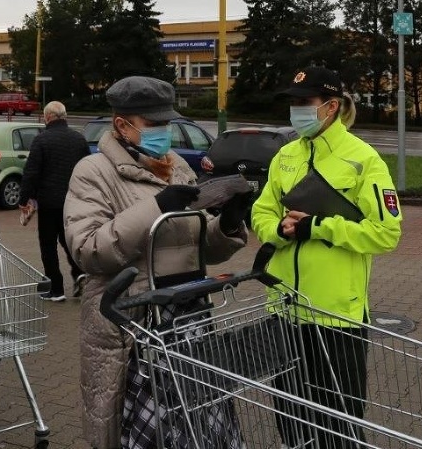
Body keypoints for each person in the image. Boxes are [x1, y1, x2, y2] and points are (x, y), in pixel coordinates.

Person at [63, 75, 252, 448]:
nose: (164, 133)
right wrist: (157, 207)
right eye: (155, 125)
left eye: (168, 124)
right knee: (143, 431)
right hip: (132, 325)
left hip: (187, 316)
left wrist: (227, 223)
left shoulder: (176, 166)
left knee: (197, 423)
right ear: (122, 125)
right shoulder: (93, 172)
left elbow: (198, 247)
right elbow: (87, 249)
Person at [251, 67, 403, 448]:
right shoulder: (285, 155)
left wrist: (318, 226)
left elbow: (386, 234)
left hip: (336, 317)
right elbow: (261, 211)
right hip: (284, 310)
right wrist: (278, 231)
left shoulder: (363, 160)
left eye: (305, 103)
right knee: (291, 419)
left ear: (331, 107)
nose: (296, 110)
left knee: (338, 425)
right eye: (293, 103)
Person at [18, 100, 90, 301]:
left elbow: (31, 172)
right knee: (70, 240)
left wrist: (24, 199)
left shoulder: (42, 140)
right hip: (75, 201)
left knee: (48, 244)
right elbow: (88, 170)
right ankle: (80, 272)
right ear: (64, 116)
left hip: (49, 202)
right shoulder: (79, 139)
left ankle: (55, 289)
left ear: (47, 117)